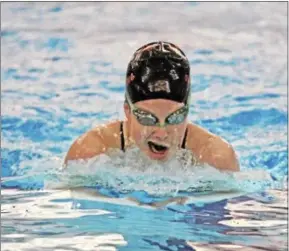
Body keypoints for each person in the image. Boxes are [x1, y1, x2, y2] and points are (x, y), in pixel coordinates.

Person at [64, 41, 239, 172]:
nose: (162, 133)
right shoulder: (90, 153)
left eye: (175, 117)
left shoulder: (215, 158)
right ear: (127, 111)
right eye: (148, 118)